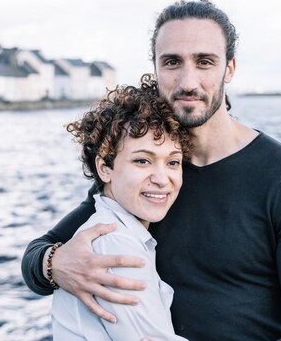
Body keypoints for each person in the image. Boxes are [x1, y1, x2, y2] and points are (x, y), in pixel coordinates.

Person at [22, 0, 281, 340]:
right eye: (172, 62)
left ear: (230, 68)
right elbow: (39, 253)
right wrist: (54, 264)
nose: (187, 81)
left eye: (205, 62)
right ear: (156, 68)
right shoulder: (145, 178)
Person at [52, 75, 190, 340]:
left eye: (173, 163)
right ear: (105, 168)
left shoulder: (122, 233)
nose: (162, 179)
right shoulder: (114, 243)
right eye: (142, 161)